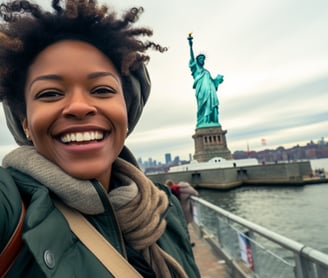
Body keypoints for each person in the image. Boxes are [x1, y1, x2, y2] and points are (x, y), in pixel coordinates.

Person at [0, 1, 200, 277]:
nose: (80, 106)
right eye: (50, 93)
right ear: (26, 126)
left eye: (102, 89)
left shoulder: (165, 207)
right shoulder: (10, 206)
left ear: (126, 113)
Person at [187, 33, 224, 128]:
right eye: (200, 59)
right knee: (203, 105)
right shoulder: (195, 69)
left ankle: (210, 120)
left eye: (203, 59)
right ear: (197, 60)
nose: (202, 60)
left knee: (211, 103)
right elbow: (191, 57)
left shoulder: (207, 72)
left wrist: (218, 80)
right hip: (201, 91)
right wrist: (190, 45)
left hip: (210, 92)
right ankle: (204, 120)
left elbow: (213, 82)